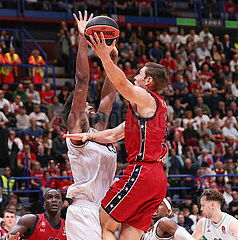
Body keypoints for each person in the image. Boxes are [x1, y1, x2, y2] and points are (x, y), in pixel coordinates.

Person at [67, 21, 169, 239]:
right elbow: (114, 134)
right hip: (158, 178)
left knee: (107, 227)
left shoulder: (145, 97)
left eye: (140, 75)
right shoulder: (154, 107)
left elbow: (120, 86)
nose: (135, 77)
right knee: (128, 234)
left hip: (141, 172)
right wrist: (89, 135)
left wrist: (105, 56)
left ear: (148, 81)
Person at [61, 11, 118, 240]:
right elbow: (81, 80)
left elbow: (109, 95)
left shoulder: (98, 132)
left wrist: (112, 58)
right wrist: (83, 38)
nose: (91, 106)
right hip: (84, 210)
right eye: (86, 105)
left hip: (105, 209)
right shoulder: (76, 133)